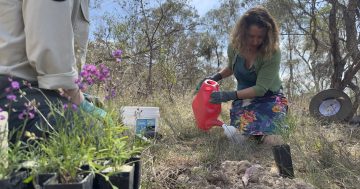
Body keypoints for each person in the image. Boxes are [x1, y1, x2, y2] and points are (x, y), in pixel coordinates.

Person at [0, 0, 105, 142]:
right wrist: (79, 100)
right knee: (96, 136)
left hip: (24, 89)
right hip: (15, 92)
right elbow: (50, 52)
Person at [199, 7, 288, 143]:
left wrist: (229, 95)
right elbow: (231, 67)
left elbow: (260, 89)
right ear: (243, 33)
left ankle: (269, 131)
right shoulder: (234, 47)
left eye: (260, 37)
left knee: (272, 140)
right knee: (239, 139)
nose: (255, 41)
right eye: (251, 36)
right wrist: (215, 77)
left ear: (267, 36)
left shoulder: (272, 53)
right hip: (244, 100)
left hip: (269, 98)